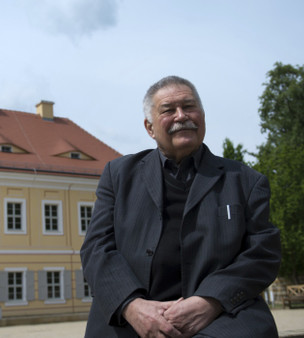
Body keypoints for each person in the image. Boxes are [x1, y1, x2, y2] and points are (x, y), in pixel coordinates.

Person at [80, 76, 281, 337]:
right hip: (131, 318)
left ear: (203, 117)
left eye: (189, 107)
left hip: (222, 317)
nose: (181, 116)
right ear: (150, 128)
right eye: (168, 110)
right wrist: (133, 306)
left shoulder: (246, 181)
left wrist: (210, 301)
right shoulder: (119, 175)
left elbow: (262, 254)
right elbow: (96, 248)